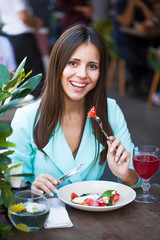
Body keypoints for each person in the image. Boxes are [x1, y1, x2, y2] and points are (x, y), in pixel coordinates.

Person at [8, 24, 141, 197]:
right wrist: (30, 189)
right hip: (43, 217)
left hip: (94, 218)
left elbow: (136, 181)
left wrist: (124, 175)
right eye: (73, 63)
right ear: (57, 65)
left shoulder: (110, 110)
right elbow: (12, 185)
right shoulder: (26, 117)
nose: (82, 74)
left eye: (92, 66)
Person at [0, 0, 45, 99]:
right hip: (22, 36)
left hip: (10, 34)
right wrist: (36, 22)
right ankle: (39, 103)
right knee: (36, 75)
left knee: (21, 74)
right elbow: (24, 17)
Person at [112, 0, 157, 95]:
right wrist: (131, 4)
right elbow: (125, 23)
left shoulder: (146, 3)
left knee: (151, 58)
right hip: (123, 41)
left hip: (142, 41)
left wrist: (142, 5)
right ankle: (135, 82)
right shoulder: (121, 3)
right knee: (131, 58)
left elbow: (154, 21)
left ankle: (145, 83)